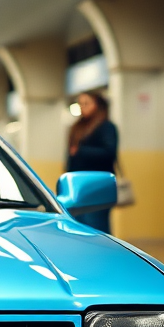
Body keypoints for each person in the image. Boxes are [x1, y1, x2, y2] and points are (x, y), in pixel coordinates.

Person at [66, 90, 118, 233]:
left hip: (97, 186)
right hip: (78, 187)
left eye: (87, 103)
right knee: (80, 227)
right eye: (80, 104)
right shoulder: (76, 128)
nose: (83, 107)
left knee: (96, 227)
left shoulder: (106, 127)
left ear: (97, 105)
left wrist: (81, 151)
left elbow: (109, 153)